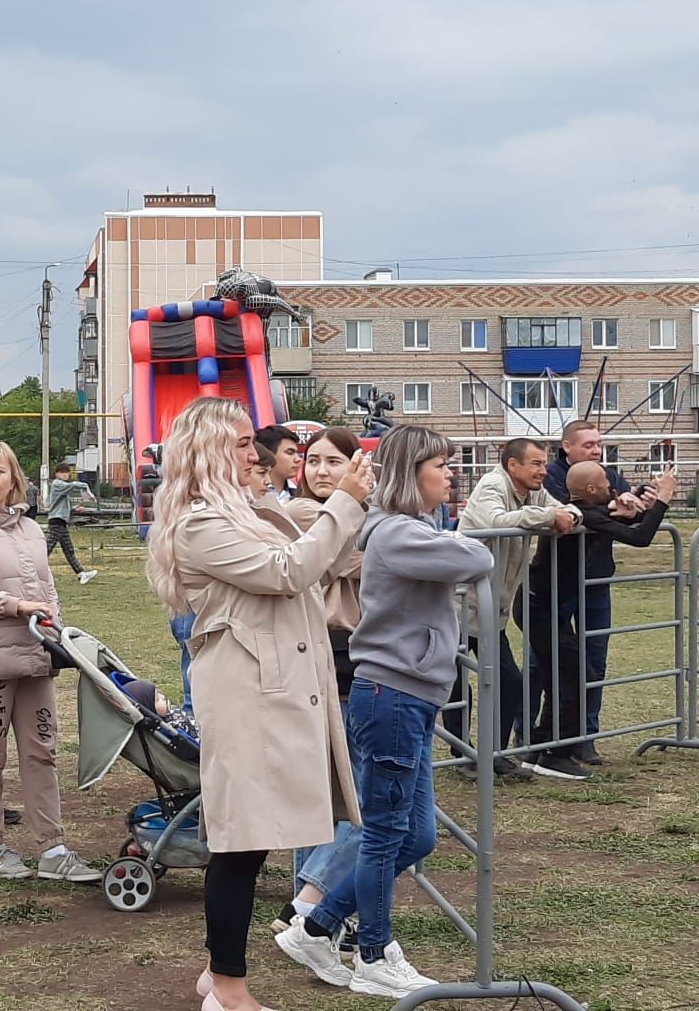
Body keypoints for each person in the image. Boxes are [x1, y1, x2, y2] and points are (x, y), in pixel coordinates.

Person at [143, 400, 369, 1011]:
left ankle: (217, 974)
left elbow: (319, 561)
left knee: (254, 840)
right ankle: (229, 990)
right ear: (212, 451)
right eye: (243, 444)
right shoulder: (199, 524)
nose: (257, 455)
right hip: (248, 696)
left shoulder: (245, 510)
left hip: (272, 690)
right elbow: (290, 571)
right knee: (241, 843)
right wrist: (343, 501)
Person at [282, 424, 493, 999]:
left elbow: (471, 554)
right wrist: (472, 545)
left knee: (416, 837)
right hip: (393, 696)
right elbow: (478, 555)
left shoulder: (413, 529)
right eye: (441, 466)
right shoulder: (397, 533)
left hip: (411, 695)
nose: (450, 475)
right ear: (411, 473)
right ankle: (374, 953)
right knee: (382, 834)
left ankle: (318, 925)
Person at [0, 438, 102, 884]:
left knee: (41, 753)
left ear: (14, 479)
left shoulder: (30, 528)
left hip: (35, 657)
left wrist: (57, 628)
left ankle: (53, 847)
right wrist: (15, 606)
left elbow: (48, 589)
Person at [272, 426, 366, 946]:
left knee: (326, 787)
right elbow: (346, 558)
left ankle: (313, 910)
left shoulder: (347, 517)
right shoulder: (302, 514)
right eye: (313, 462)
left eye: (334, 462)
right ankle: (312, 902)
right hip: (329, 653)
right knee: (346, 789)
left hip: (344, 654)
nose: (321, 472)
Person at [524, 462, 676, 779]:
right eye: (606, 483)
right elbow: (640, 539)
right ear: (591, 490)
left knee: (565, 677)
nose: (612, 486)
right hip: (540, 608)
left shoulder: (585, 511)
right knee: (578, 677)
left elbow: (618, 521)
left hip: (544, 606)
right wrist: (663, 498)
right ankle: (555, 754)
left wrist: (626, 509)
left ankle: (539, 749)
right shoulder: (585, 514)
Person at [450, 438, 579, 777]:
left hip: (494, 607)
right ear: (513, 466)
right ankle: (462, 754)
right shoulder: (492, 485)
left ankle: (492, 753)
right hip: (459, 602)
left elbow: (567, 509)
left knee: (508, 681)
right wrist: (549, 516)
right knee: (456, 682)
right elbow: (496, 520)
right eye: (536, 463)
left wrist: (563, 514)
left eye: (544, 463)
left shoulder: (534, 492)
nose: (543, 470)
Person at [538, 421, 648, 761]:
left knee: (594, 661)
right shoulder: (550, 476)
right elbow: (572, 509)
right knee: (544, 663)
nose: (596, 450)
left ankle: (585, 736)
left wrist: (633, 499)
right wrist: (613, 509)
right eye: (588, 445)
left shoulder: (607, 475)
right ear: (566, 446)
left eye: (598, 444)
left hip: (596, 579)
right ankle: (532, 735)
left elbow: (621, 508)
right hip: (557, 584)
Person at [44, 463, 98, 585]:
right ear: (57, 474)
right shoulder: (58, 484)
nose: (65, 475)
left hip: (61, 522)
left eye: (67, 472)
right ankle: (32, 571)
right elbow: (74, 485)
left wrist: (75, 509)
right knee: (47, 549)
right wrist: (86, 488)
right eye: (62, 472)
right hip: (56, 522)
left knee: (68, 551)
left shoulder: (63, 488)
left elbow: (62, 507)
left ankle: (81, 574)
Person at [255, 423, 303, 500]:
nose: (298, 459)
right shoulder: (249, 493)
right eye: (290, 452)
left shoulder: (301, 495)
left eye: (297, 453)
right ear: (268, 453)